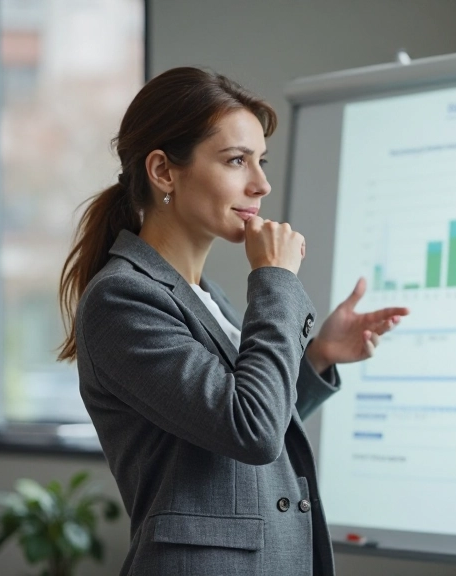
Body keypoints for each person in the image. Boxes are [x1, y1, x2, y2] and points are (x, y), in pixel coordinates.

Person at [57, 66, 408, 575]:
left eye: (260, 161)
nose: (261, 184)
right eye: (236, 160)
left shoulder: (208, 299)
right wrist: (274, 280)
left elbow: (233, 425)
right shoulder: (122, 299)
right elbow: (252, 431)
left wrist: (317, 356)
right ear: (163, 171)